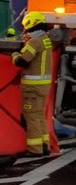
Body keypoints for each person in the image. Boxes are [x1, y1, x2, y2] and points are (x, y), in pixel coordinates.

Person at [11, 12, 53, 157]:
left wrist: (14, 54)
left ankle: (35, 150)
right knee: (39, 115)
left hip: (32, 88)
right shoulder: (45, 39)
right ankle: (44, 146)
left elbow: (22, 61)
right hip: (42, 87)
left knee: (31, 117)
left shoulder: (34, 42)